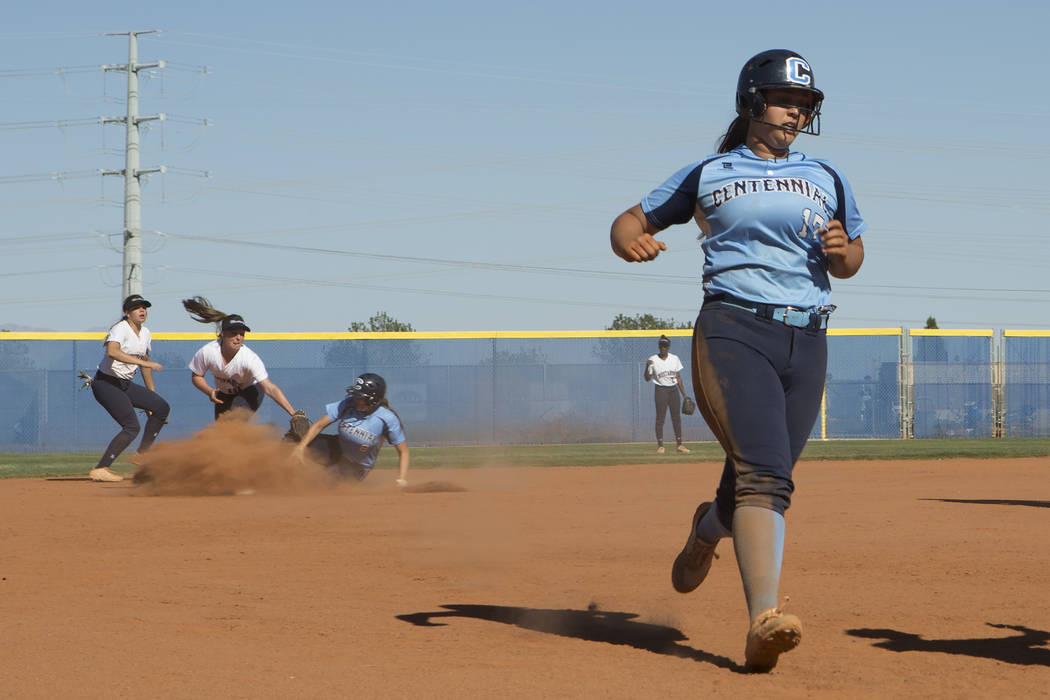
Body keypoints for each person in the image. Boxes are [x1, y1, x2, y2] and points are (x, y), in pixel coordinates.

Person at [610, 49, 866, 672]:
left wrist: (841, 251)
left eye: (804, 104)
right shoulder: (712, 171)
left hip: (806, 341)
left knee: (758, 478)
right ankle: (763, 620)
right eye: (785, 100)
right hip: (733, 331)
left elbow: (853, 256)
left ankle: (707, 529)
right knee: (767, 476)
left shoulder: (826, 174)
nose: (795, 113)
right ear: (752, 101)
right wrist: (628, 241)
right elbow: (629, 220)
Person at [88, 294, 170, 482]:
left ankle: (142, 455)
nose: (142, 310)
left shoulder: (146, 333)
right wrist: (146, 364)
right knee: (131, 426)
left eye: (144, 307)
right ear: (127, 313)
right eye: (136, 308)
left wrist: (151, 395)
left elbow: (144, 362)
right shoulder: (121, 328)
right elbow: (112, 351)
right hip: (106, 383)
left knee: (161, 407)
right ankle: (101, 468)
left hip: (124, 384)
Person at [182, 296, 302, 421]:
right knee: (220, 432)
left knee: (233, 422)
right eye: (233, 333)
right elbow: (197, 376)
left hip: (250, 391)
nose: (238, 337)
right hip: (223, 394)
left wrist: (293, 413)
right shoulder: (208, 352)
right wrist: (209, 391)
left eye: (242, 334)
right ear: (223, 334)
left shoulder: (249, 359)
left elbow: (269, 387)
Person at [290, 373, 409, 487]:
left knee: (321, 485)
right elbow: (319, 425)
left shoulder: (387, 418)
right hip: (336, 447)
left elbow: (403, 451)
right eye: (355, 395)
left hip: (355, 466)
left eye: (360, 397)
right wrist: (301, 446)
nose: (355, 399)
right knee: (291, 441)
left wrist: (401, 479)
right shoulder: (348, 404)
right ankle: (276, 477)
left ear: (373, 399)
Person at [645, 335, 691, 454]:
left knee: (676, 418)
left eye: (665, 345)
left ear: (668, 347)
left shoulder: (674, 358)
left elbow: (678, 377)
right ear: (659, 346)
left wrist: (684, 395)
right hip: (660, 390)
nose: (663, 348)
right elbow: (647, 378)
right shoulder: (653, 359)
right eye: (661, 345)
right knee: (660, 418)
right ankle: (660, 445)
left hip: (673, 390)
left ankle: (679, 445)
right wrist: (647, 366)